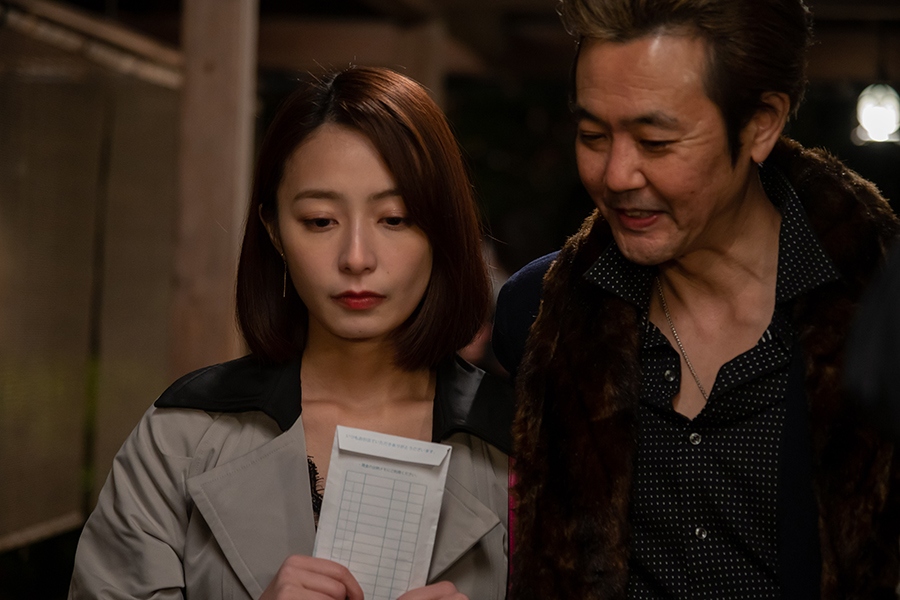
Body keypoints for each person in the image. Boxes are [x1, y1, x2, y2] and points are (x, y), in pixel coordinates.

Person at [493, 0, 900, 597]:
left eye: (656, 142)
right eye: (592, 135)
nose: (617, 175)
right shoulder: (537, 320)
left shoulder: (879, 323)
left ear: (761, 124)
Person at [69, 66, 512, 600]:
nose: (356, 258)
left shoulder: (521, 446)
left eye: (394, 219)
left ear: (442, 230)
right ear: (274, 230)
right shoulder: (182, 436)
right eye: (321, 221)